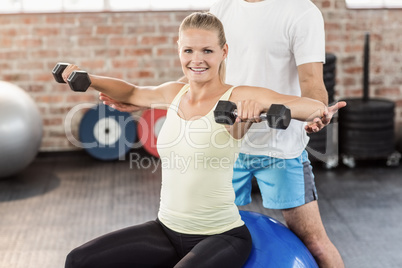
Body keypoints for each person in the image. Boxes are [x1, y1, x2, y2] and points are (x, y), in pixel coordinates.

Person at [62, 12, 345, 268]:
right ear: (179, 50)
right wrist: (86, 78)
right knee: (78, 260)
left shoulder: (237, 96)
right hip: (166, 230)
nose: (197, 60)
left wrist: (321, 112)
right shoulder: (173, 93)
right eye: (189, 50)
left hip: (222, 235)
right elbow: (133, 92)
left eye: (207, 51)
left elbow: (300, 105)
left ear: (223, 52)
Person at [208, 1, 345, 267]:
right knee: (202, 235)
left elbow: (313, 84)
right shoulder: (221, 7)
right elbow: (207, 73)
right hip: (227, 144)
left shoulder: (302, 12)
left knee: (315, 243)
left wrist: (317, 111)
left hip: (280, 149)